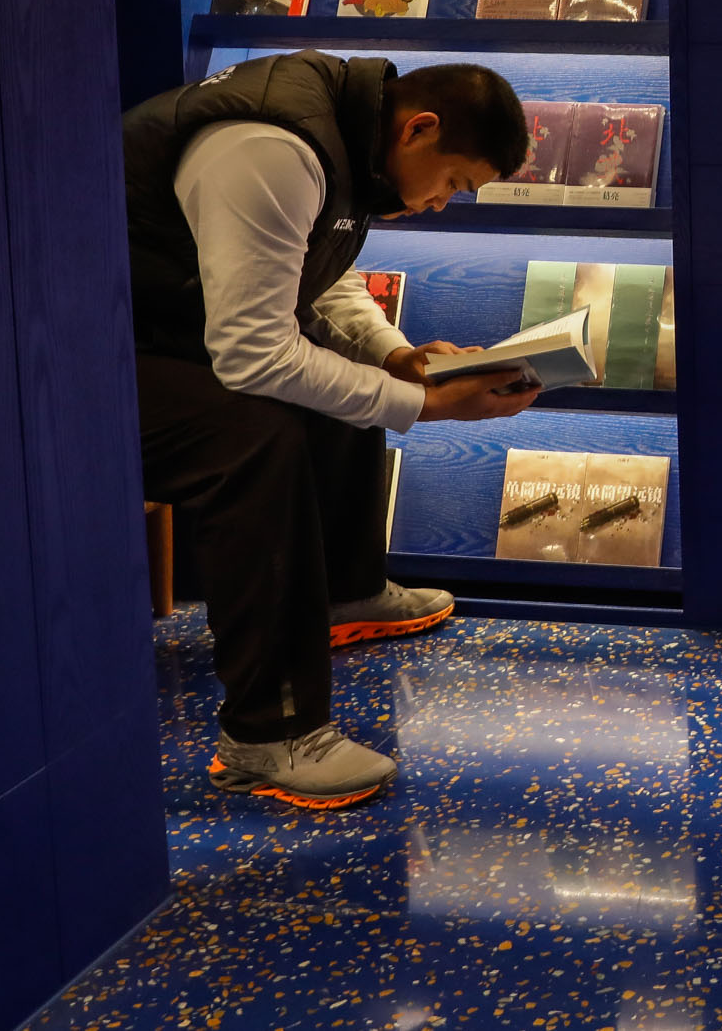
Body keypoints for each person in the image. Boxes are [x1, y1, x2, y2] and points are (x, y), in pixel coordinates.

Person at [124, 52, 543, 808]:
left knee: (348, 372)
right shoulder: (271, 148)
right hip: (65, 363)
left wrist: (396, 357)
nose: (441, 204)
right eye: (452, 182)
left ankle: (345, 595)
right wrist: (426, 405)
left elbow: (311, 266)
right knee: (254, 437)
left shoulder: (342, 134)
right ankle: (270, 735)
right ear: (419, 129)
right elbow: (253, 355)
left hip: (160, 328)